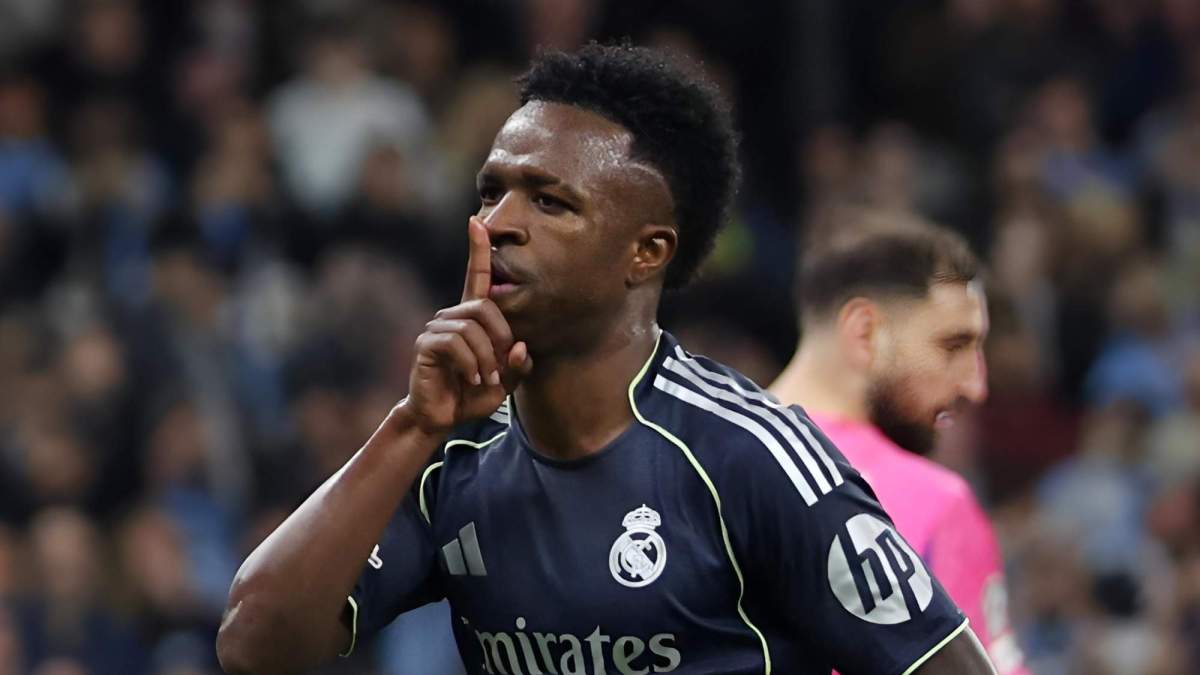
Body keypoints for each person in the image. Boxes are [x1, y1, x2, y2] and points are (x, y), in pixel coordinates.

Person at [215, 44, 997, 675]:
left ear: (645, 251)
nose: (499, 224)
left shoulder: (753, 458)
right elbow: (253, 644)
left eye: (549, 201)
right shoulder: (450, 452)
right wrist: (412, 425)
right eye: (491, 192)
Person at [770, 210, 1028, 675]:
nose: (976, 386)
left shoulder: (687, 461)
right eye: (953, 345)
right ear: (866, 331)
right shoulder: (933, 501)